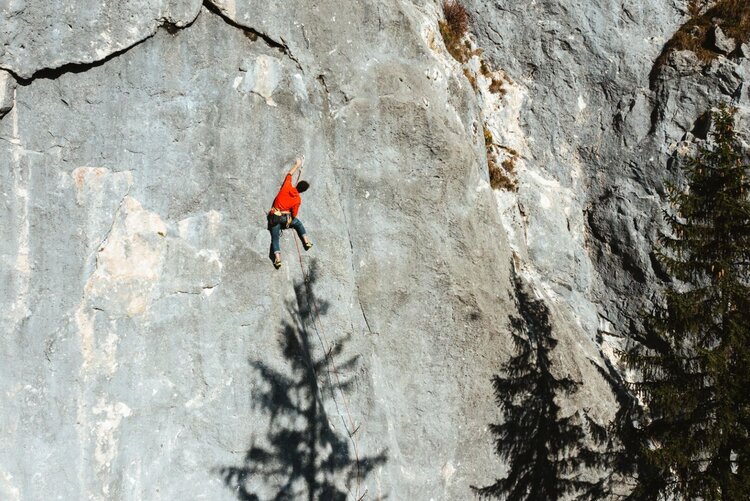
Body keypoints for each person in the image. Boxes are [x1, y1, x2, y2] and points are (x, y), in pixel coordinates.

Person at [268, 158, 313, 269]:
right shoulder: (297, 199)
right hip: (285, 218)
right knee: (298, 224)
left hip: (274, 216)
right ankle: (306, 241)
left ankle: (278, 259)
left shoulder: (287, 186)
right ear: (303, 191)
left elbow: (289, 174)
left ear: (297, 184)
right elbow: (294, 214)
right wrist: (289, 219)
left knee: (275, 238)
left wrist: (297, 165)